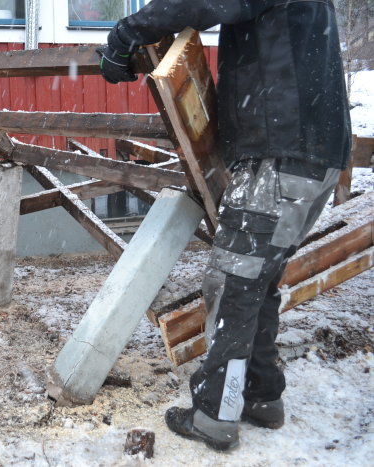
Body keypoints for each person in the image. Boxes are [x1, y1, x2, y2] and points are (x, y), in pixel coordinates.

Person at [98, 0, 351, 451]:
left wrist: (127, 33)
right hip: (316, 153)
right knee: (259, 278)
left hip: (280, 152)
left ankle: (217, 413)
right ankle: (261, 394)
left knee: (233, 283)